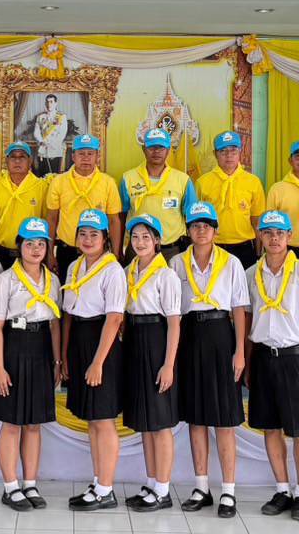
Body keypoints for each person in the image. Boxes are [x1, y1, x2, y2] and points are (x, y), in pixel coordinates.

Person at [244, 210, 299, 523]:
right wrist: (247, 362)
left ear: (290, 236)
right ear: (260, 237)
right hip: (263, 356)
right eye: (268, 232)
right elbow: (248, 319)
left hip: (294, 358)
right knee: (270, 427)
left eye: (280, 233)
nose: (274, 238)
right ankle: (282, 490)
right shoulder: (252, 273)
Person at [171, 201, 249, 519]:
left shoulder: (231, 263)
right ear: (188, 231)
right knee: (196, 417)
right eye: (195, 225)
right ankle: (201, 487)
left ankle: (228, 491)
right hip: (189, 336)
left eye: (206, 225)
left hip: (220, 335)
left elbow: (239, 309)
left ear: (215, 231)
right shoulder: (177, 263)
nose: (201, 230)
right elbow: (173, 312)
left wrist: (240, 351)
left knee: (224, 419)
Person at [0, 217, 62, 512]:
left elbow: (55, 324)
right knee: (12, 423)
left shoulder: (53, 280)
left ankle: (30, 484)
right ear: (19, 246)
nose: (35, 249)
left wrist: (57, 361)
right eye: (29, 243)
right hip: (14, 348)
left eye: (41, 244)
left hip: (42, 348)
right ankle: (10, 487)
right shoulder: (5, 280)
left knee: (33, 424)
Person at [62, 209, 129, 512]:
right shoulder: (74, 266)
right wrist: (65, 355)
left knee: (103, 419)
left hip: (102, 343)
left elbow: (114, 318)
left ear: (106, 239)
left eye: (94, 234)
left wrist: (98, 361)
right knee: (91, 419)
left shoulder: (112, 270)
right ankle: (98, 481)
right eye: (83, 233)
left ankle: (106, 489)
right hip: (80, 339)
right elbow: (68, 313)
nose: (88, 239)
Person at [120, 215, 181, 513]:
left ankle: (164, 490)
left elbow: (174, 323)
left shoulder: (165, 275)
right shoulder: (128, 271)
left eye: (146, 237)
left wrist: (168, 364)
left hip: (156, 341)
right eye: (135, 237)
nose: (140, 242)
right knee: (144, 421)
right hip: (133, 339)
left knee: (160, 421)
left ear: (157, 241)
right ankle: (151, 483)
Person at [44, 133, 122, 275]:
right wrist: (49, 254)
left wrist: (115, 254)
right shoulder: (58, 182)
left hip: (99, 252)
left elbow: (114, 220)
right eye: (81, 153)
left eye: (90, 154)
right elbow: (51, 218)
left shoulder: (108, 183)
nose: (86, 158)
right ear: (73, 156)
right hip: (67, 250)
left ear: (97, 156)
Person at [194, 131, 266, 268]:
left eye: (233, 150)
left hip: (245, 247)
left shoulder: (253, 182)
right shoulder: (202, 183)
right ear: (215, 154)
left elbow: (257, 221)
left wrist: (258, 253)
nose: (229, 155)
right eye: (223, 151)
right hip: (212, 247)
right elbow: (195, 222)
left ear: (240, 151)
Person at [120, 128, 196, 256]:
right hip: (137, 249)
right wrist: (119, 250)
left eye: (161, 147)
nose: (156, 151)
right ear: (144, 149)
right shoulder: (128, 178)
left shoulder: (183, 180)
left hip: (172, 250)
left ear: (168, 150)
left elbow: (192, 218)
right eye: (152, 147)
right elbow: (121, 216)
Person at [0, 142, 47, 269]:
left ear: (30, 161)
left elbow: (47, 223)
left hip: (32, 254)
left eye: (22, 157)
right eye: (13, 157)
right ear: (7, 161)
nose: (17, 161)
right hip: (0, 252)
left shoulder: (42, 187)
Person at [32, 94, 69, 174]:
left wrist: (50, 143)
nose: (49, 104)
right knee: (42, 174)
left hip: (55, 150)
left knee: (54, 175)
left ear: (56, 103)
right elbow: (36, 132)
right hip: (42, 150)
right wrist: (41, 141)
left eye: (51, 102)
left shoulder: (61, 117)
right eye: (47, 102)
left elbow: (62, 133)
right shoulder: (40, 117)